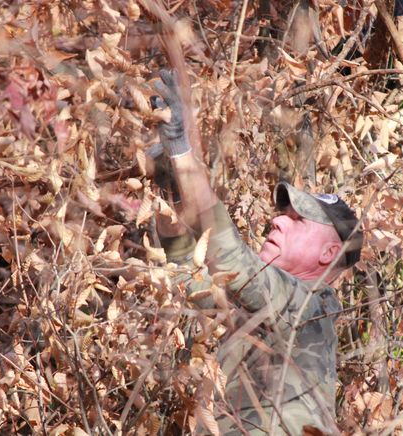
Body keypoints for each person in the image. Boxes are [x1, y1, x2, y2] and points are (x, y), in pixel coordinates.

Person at [150, 70, 363, 434]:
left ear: (329, 253)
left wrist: (181, 150)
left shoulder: (312, 308)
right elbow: (190, 279)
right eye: (281, 216)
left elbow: (230, 256)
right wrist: (171, 192)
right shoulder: (262, 311)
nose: (277, 223)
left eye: (297, 221)